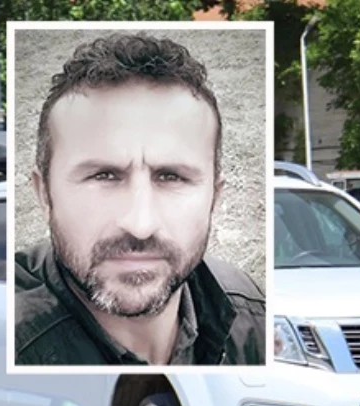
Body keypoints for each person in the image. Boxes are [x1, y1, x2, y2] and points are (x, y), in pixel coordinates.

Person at [14, 33, 265, 366]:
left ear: (214, 198)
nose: (140, 224)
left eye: (172, 177)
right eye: (103, 175)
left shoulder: (250, 313)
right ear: (44, 193)